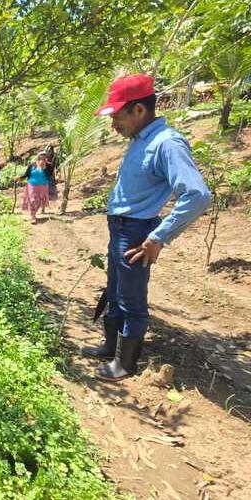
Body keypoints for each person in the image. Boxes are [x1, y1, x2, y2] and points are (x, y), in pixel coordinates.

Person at [81, 75, 211, 382]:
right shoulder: (143, 140)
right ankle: (110, 347)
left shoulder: (167, 143)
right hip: (121, 228)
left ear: (139, 110)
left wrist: (158, 237)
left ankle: (125, 364)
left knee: (131, 300)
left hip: (137, 232)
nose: (114, 125)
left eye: (117, 116)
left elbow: (197, 195)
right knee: (114, 292)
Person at [14, 152, 51, 224]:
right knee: (33, 200)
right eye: (41, 157)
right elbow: (26, 174)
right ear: (38, 157)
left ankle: (37, 211)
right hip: (32, 185)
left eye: (44, 158)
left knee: (40, 200)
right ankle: (32, 216)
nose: (43, 159)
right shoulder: (32, 165)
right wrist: (19, 178)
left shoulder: (49, 166)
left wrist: (44, 168)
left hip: (43, 185)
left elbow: (50, 175)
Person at [43, 145, 59, 211]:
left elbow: (55, 166)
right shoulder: (43, 157)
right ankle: (43, 209)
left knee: (52, 193)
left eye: (49, 152)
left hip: (51, 176)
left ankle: (55, 208)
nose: (47, 153)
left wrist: (58, 175)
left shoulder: (54, 157)